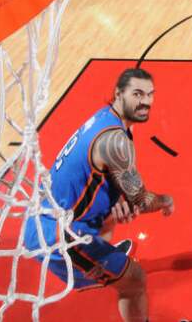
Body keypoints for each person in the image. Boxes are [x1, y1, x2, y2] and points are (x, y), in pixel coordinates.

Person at [23, 68, 174, 322]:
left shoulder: (105, 118)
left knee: (114, 205)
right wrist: (165, 201)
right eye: (137, 94)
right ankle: (92, 267)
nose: (146, 101)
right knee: (135, 281)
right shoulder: (115, 141)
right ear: (119, 93)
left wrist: (118, 199)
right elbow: (142, 200)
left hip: (48, 213)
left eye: (150, 94)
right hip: (58, 236)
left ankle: (102, 259)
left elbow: (101, 179)